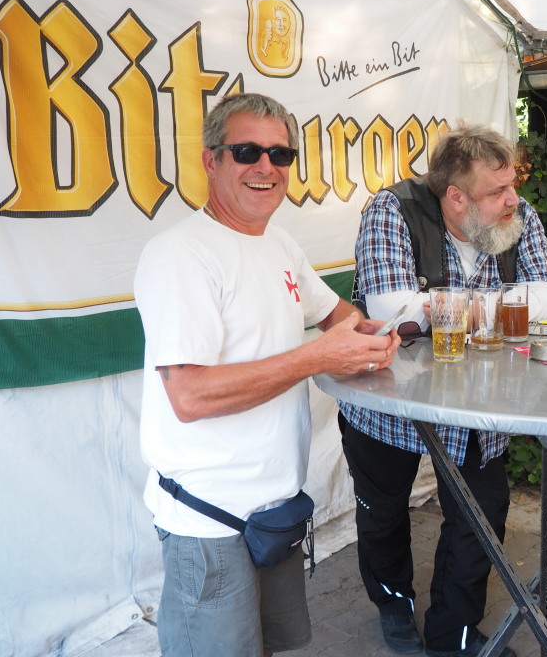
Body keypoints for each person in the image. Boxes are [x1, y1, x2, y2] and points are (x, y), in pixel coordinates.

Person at [135, 92, 401, 657]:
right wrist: (318, 356)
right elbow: (189, 395)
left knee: (267, 648)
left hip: (274, 508)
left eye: (280, 154)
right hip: (210, 519)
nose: (266, 166)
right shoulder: (181, 254)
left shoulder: (279, 243)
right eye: (247, 151)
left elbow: (337, 316)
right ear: (211, 161)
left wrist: (375, 331)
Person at [340, 122, 547, 657]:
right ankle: (393, 602)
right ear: (456, 197)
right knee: (383, 511)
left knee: (481, 515)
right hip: (386, 399)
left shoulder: (520, 215)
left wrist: (438, 309)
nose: (514, 199)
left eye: (512, 185)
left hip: (478, 398)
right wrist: (505, 307)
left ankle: (452, 633)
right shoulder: (392, 209)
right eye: (498, 191)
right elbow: (390, 311)